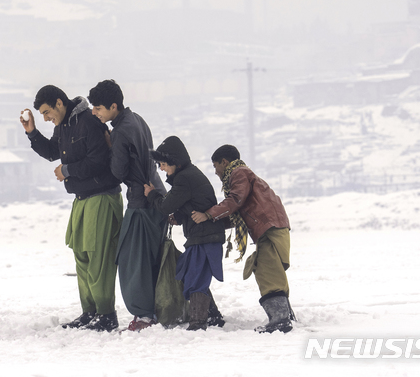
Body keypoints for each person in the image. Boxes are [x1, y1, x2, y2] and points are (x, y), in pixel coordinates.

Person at [20, 85, 123, 332]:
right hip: (82, 197)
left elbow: (99, 161)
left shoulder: (88, 121)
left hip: (102, 195)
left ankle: (106, 315)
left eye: (46, 112)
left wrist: (67, 171)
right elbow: (53, 152)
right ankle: (90, 313)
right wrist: (32, 133)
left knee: (97, 257)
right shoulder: (64, 125)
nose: (46, 118)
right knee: (81, 254)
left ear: (59, 103)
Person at [87, 79, 167, 332]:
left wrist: (108, 147)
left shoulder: (120, 131)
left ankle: (144, 316)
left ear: (113, 106)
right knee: (150, 259)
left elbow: (119, 171)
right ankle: (154, 311)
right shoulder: (137, 119)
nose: (94, 113)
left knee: (133, 262)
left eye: (98, 108)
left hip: (139, 200)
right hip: (156, 194)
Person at [191, 144, 294, 333]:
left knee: (267, 270)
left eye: (215, 166)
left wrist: (208, 215)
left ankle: (280, 319)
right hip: (272, 226)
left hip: (268, 227)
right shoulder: (245, 175)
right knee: (272, 269)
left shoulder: (238, 172)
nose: (215, 172)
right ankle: (285, 315)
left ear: (224, 162)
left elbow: (235, 201)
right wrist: (211, 222)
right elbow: (237, 211)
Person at [143, 136, 227, 331]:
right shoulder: (189, 175)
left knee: (195, 278)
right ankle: (213, 316)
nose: (161, 168)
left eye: (163, 164)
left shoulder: (184, 178)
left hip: (204, 237)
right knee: (194, 274)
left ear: (174, 161)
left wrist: (152, 194)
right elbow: (193, 203)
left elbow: (166, 205)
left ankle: (199, 322)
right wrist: (180, 218)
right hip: (204, 236)